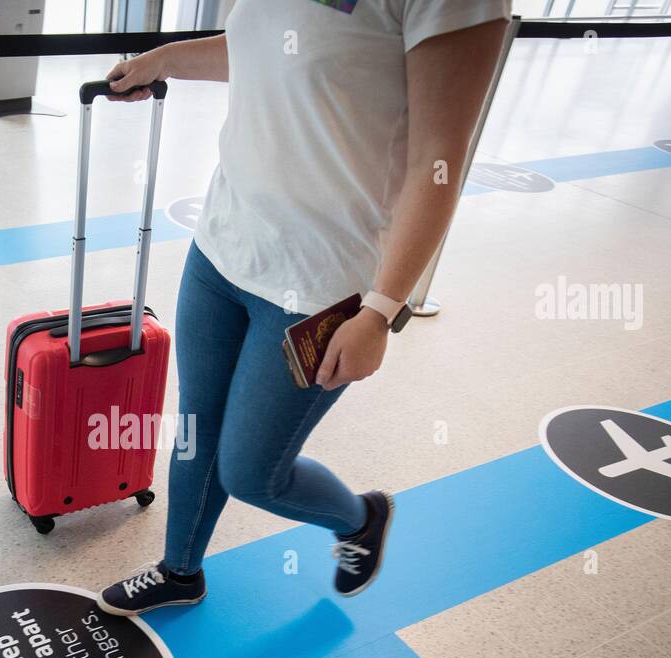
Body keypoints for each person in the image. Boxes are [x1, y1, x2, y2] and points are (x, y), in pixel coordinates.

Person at [97, 0, 511, 616]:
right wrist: (162, 62)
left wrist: (379, 311)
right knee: (197, 427)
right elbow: (267, 47)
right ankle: (180, 570)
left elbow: (438, 161)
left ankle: (361, 518)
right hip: (222, 247)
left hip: (323, 288)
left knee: (252, 471)